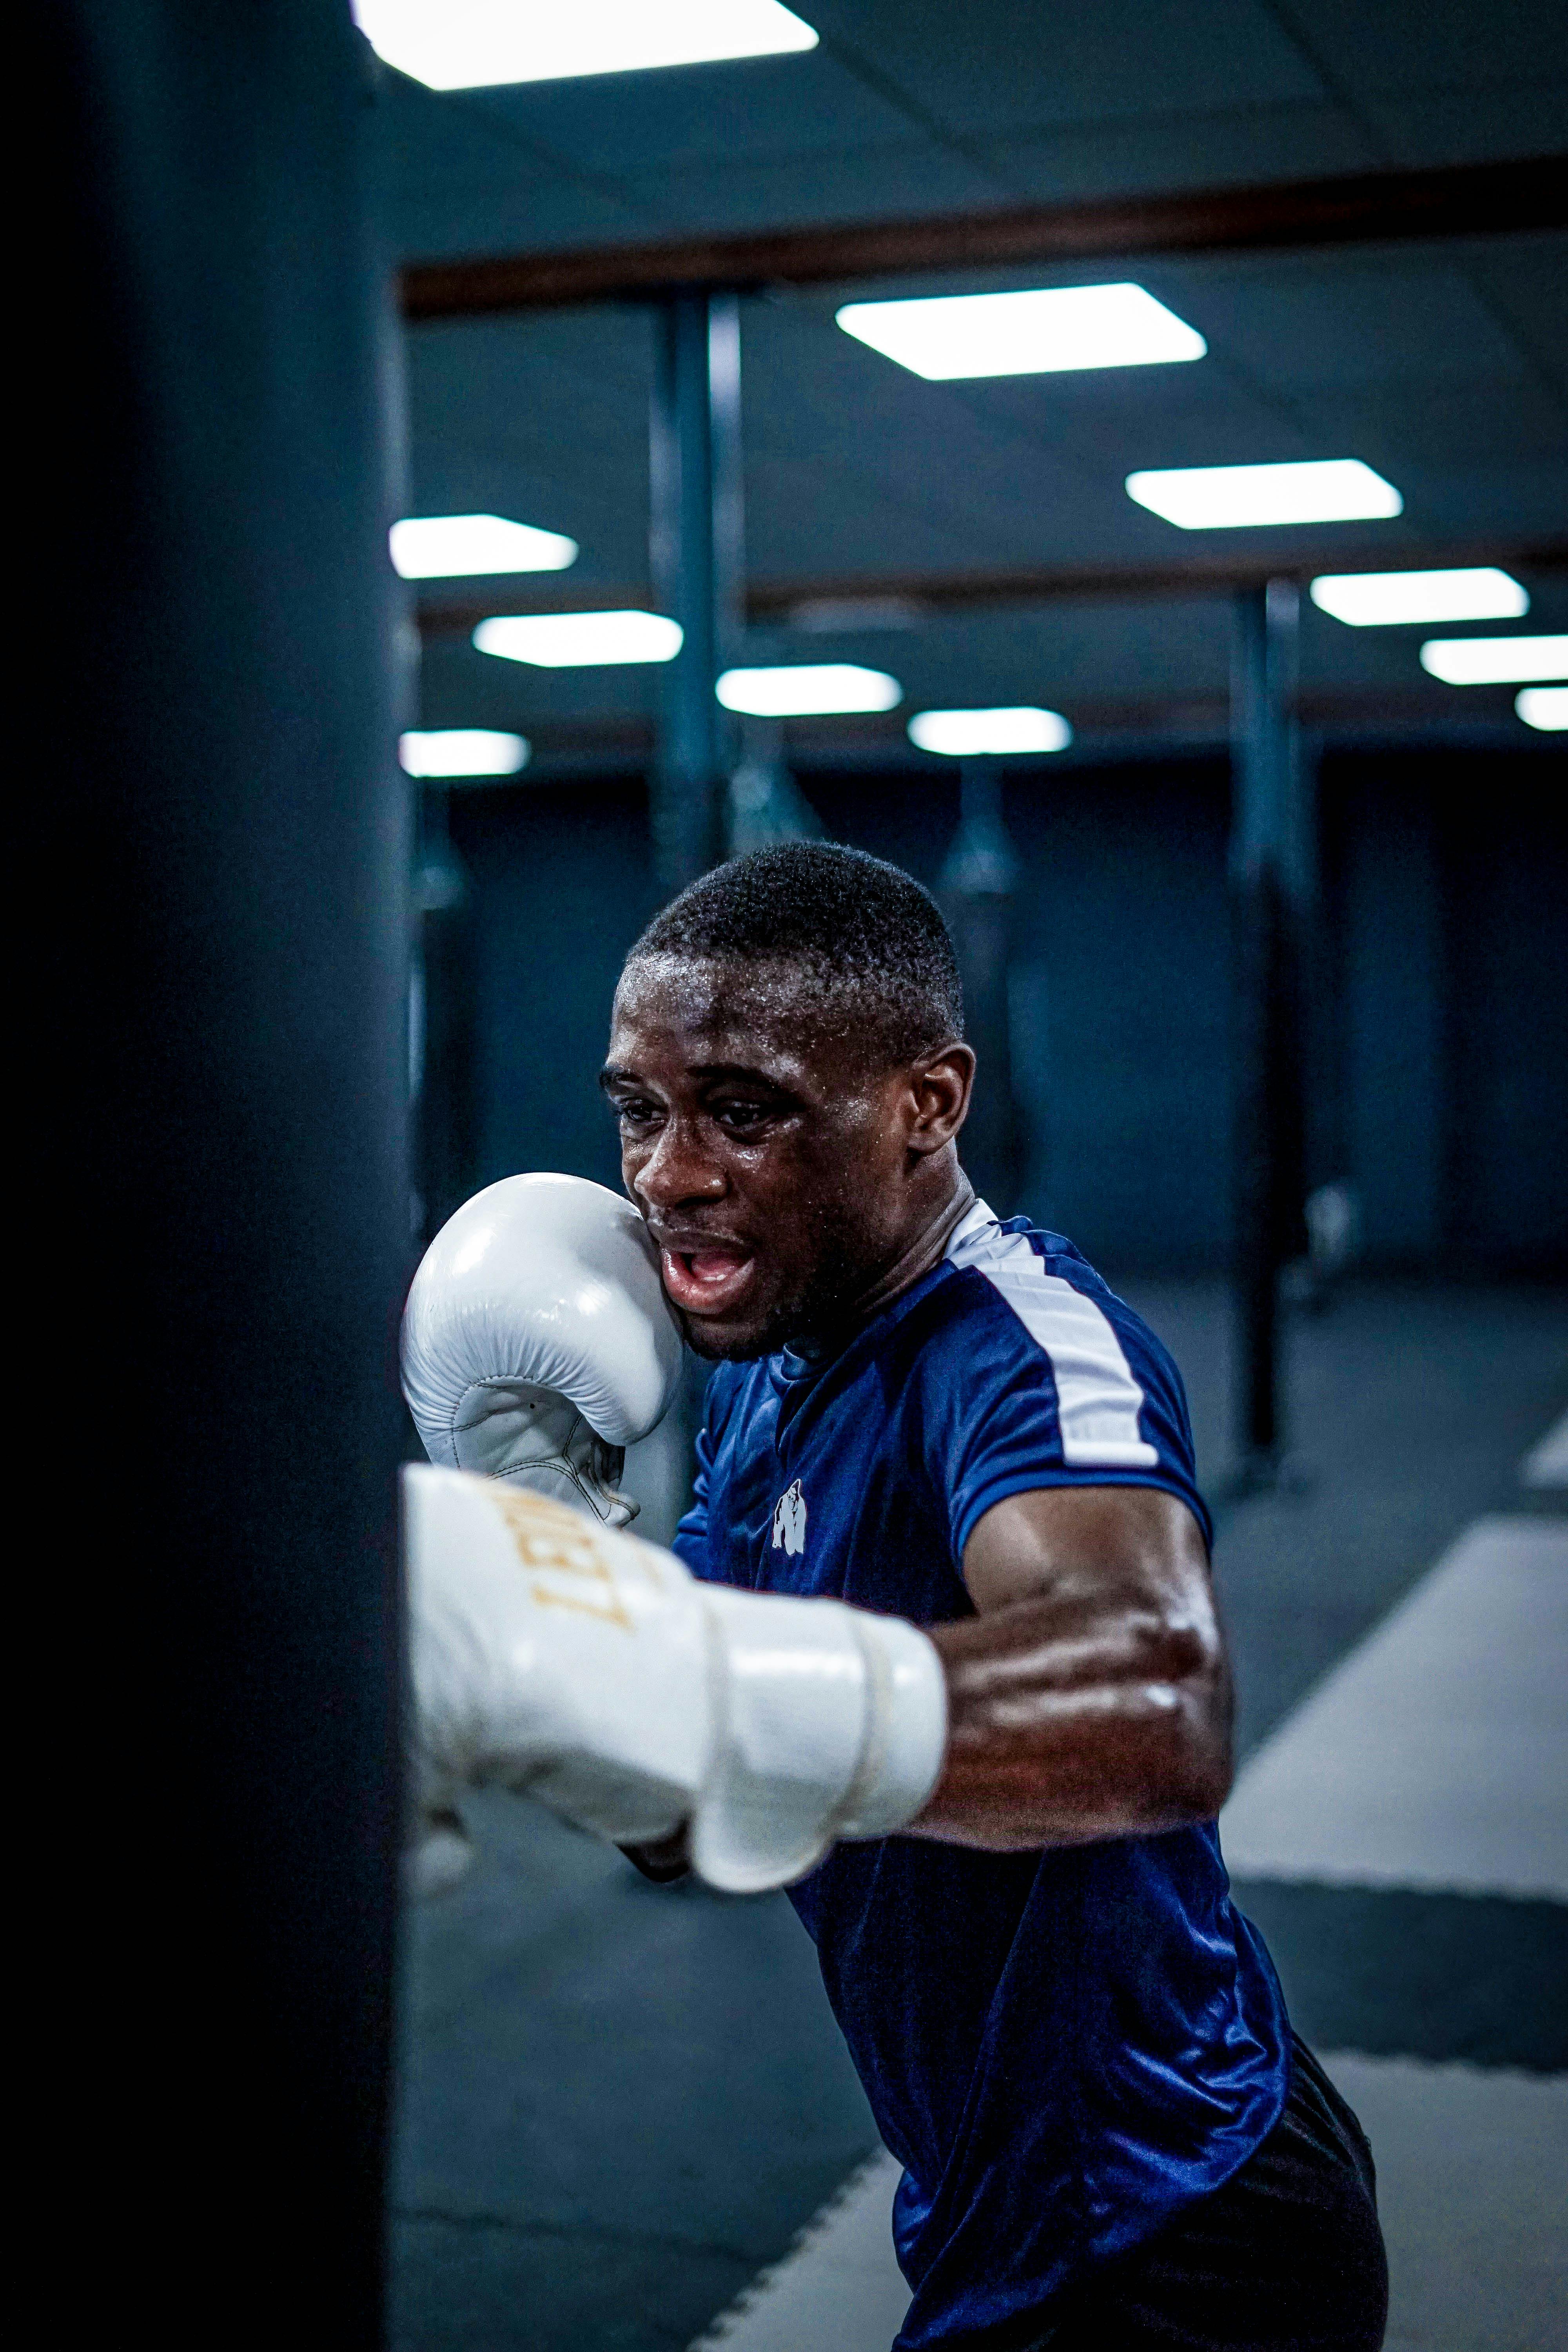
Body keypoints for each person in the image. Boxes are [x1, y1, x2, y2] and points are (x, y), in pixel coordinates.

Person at [404, 840, 1388, 2352]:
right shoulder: (763, 1370)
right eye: (640, 1112)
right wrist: (553, 1546)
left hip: (1169, 2226)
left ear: (926, 1104)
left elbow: (1160, 1708)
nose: (669, 1173)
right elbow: (688, 1817)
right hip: (999, 2190)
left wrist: (691, 1680)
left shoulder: (1021, 1353)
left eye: (744, 1110)